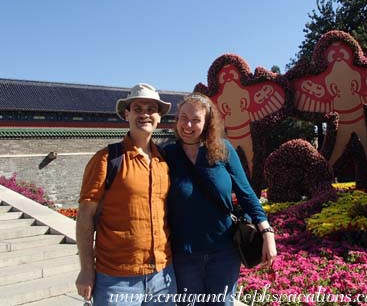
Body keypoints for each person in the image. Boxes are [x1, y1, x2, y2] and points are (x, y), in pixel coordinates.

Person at [164, 93, 277, 305]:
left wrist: (267, 232)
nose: (187, 125)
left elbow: (246, 194)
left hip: (223, 252)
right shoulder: (167, 154)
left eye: (196, 120)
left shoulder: (223, 150)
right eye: (183, 118)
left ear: (207, 123)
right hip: (184, 254)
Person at [75, 83, 177, 306]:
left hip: (163, 276)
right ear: (126, 114)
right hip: (116, 279)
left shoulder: (164, 161)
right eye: (138, 108)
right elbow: (85, 216)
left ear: (159, 117)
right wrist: (86, 270)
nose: (145, 114)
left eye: (151, 109)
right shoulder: (106, 159)